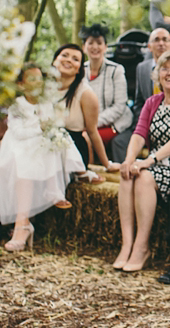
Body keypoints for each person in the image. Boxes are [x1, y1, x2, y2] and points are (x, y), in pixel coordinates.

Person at [113, 51, 170, 272]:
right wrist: (130, 159)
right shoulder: (153, 101)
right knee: (127, 175)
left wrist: (148, 160)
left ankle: (142, 247)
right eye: (165, 68)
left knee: (143, 176)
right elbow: (139, 133)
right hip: (155, 165)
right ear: (157, 74)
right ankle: (127, 245)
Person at [0, 64, 86, 250]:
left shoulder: (46, 103)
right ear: (21, 85)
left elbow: (54, 123)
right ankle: (22, 223)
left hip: (39, 145)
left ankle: (25, 222)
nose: (38, 82)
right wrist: (40, 128)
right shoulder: (17, 106)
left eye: (40, 78)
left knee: (53, 140)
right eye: (32, 79)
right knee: (25, 155)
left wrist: (48, 127)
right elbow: (18, 132)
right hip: (17, 144)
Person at [53, 44, 114, 173]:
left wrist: (107, 164)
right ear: (54, 61)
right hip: (45, 144)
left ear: (78, 70)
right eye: (64, 55)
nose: (69, 60)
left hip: (72, 150)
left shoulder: (86, 94)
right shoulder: (41, 87)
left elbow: (92, 132)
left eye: (75, 59)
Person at [81, 23, 133, 163]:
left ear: (105, 47)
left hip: (115, 123)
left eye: (99, 43)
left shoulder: (116, 70)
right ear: (84, 47)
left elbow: (119, 106)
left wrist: (91, 123)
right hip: (87, 124)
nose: (95, 47)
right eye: (90, 43)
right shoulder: (79, 71)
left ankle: (91, 176)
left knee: (87, 138)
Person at [133, 28, 170, 121]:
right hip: (148, 122)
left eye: (165, 39)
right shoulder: (141, 68)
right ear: (149, 47)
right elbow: (139, 103)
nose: (161, 43)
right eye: (156, 40)